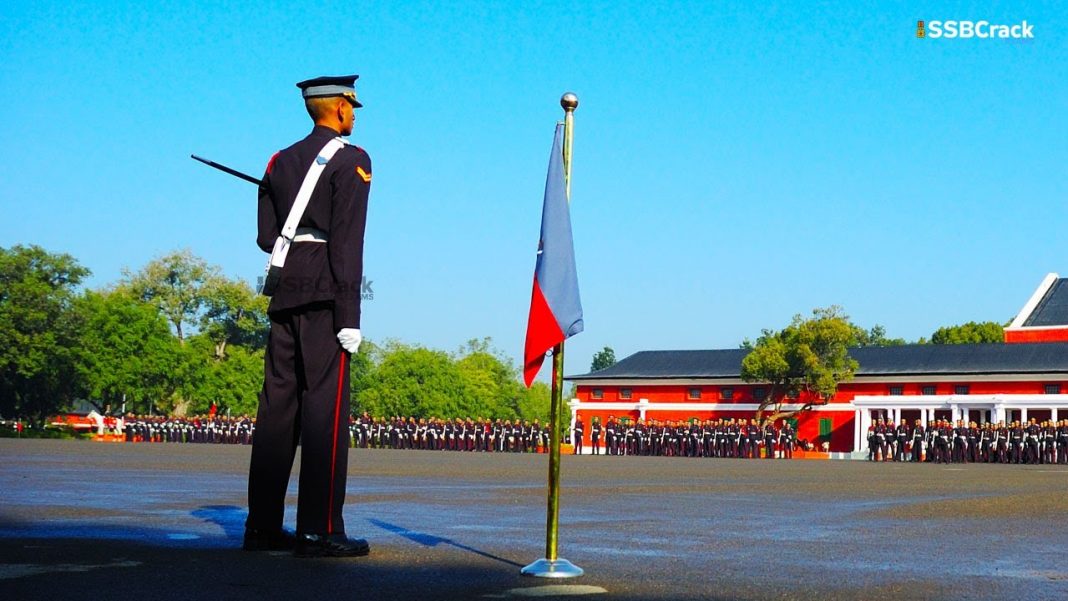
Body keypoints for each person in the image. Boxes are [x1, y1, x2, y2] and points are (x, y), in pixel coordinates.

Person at [245, 75, 371, 558]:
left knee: (277, 411)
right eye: (352, 107)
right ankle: (319, 528)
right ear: (338, 108)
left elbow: (265, 236)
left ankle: (261, 528)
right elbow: (346, 242)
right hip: (324, 296)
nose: (355, 115)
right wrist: (350, 313)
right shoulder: (352, 160)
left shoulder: (278, 161)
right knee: (325, 411)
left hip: (284, 292)